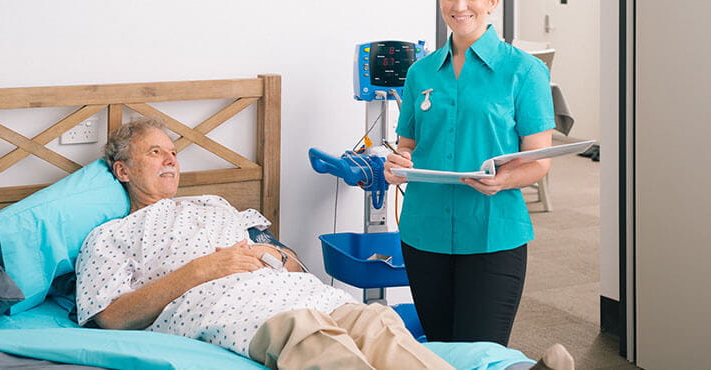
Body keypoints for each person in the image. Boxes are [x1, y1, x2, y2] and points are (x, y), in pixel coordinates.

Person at [75, 118, 455, 370]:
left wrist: (267, 253)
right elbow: (109, 317)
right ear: (122, 170)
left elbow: (293, 264)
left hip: (299, 293)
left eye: (174, 152)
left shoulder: (216, 206)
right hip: (242, 314)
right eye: (155, 152)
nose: (171, 159)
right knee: (313, 338)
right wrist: (201, 270)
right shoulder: (109, 236)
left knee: (377, 323)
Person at [383, 0, 556, 347]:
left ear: (492, 0)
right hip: (424, 232)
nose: (459, 6)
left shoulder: (524, 72)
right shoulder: (420, 73)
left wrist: (505, 179)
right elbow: (407, 146)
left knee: (481, 351)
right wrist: (396, 164)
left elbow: (539, 160)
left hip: (493, 231)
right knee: (443, 350)